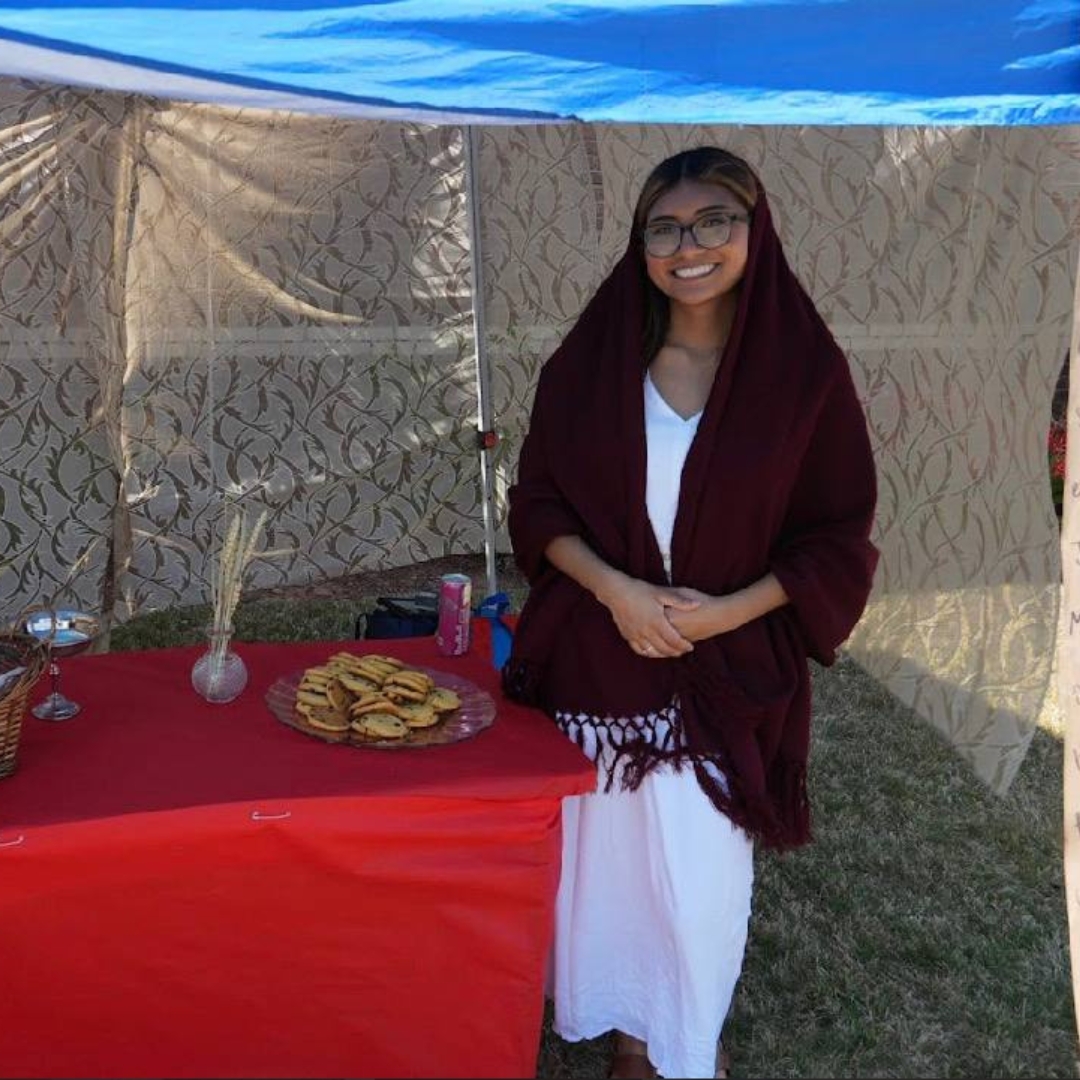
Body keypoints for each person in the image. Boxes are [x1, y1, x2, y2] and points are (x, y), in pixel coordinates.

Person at [501, 146, 879, 1080]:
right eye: (663, 229)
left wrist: (723, 615)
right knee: (607, 872)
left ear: (756, 231)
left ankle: (678, 1043)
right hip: (600, 659)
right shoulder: (591, 366)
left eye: (714, 221)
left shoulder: (804, 377)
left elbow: (836, 537)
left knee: (697, 878)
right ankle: (629, 1039)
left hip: (726, 670)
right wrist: (618, 592)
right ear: (640, 246)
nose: (688, 246)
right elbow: (537, 505)